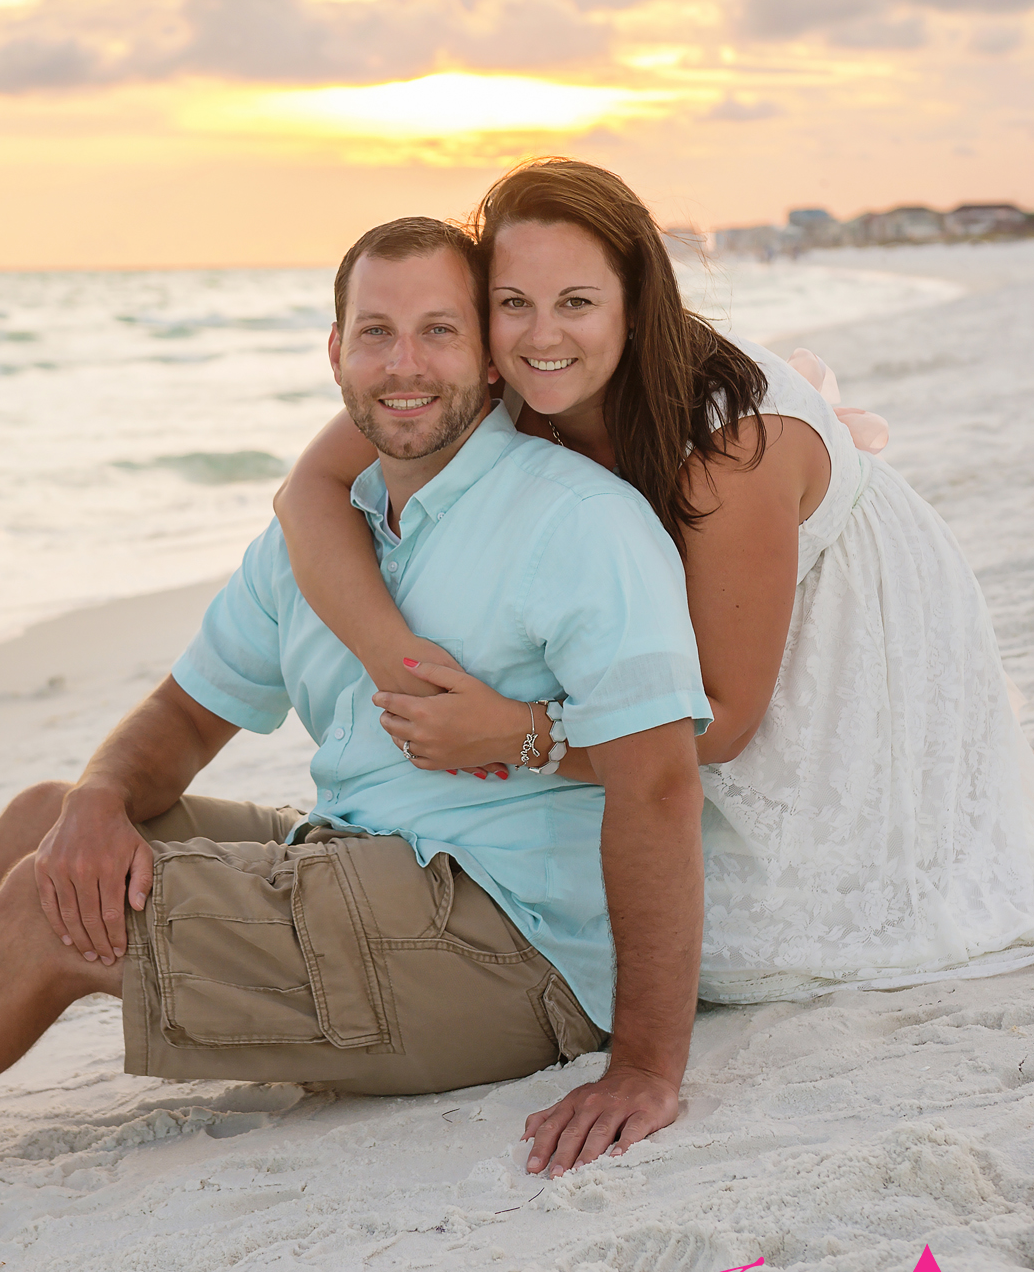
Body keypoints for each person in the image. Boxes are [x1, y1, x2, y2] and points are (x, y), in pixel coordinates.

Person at [0, 215, 713, 1229]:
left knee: (55, 913)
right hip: (370, 869)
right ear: (334, 354)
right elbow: (180, 713)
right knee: (54, 820)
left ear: (489, 358)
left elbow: (660, 780)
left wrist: (645, 1065)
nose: (405, 362)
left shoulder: (574, 521)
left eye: (439, 329)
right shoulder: (325, 531)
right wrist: (95, 795)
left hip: (511, 948)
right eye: (375, 331)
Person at [277, 158, 1034, 1004]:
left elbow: (723, 721)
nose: (540, 337)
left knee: (752, 933)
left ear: (635, 305)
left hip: (842, 626)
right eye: (512, 303)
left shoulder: (730, 454)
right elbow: (305, 491)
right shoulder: (495, 377)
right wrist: (401, 664)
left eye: (577, 303)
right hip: (695, 642)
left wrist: (514, 733)